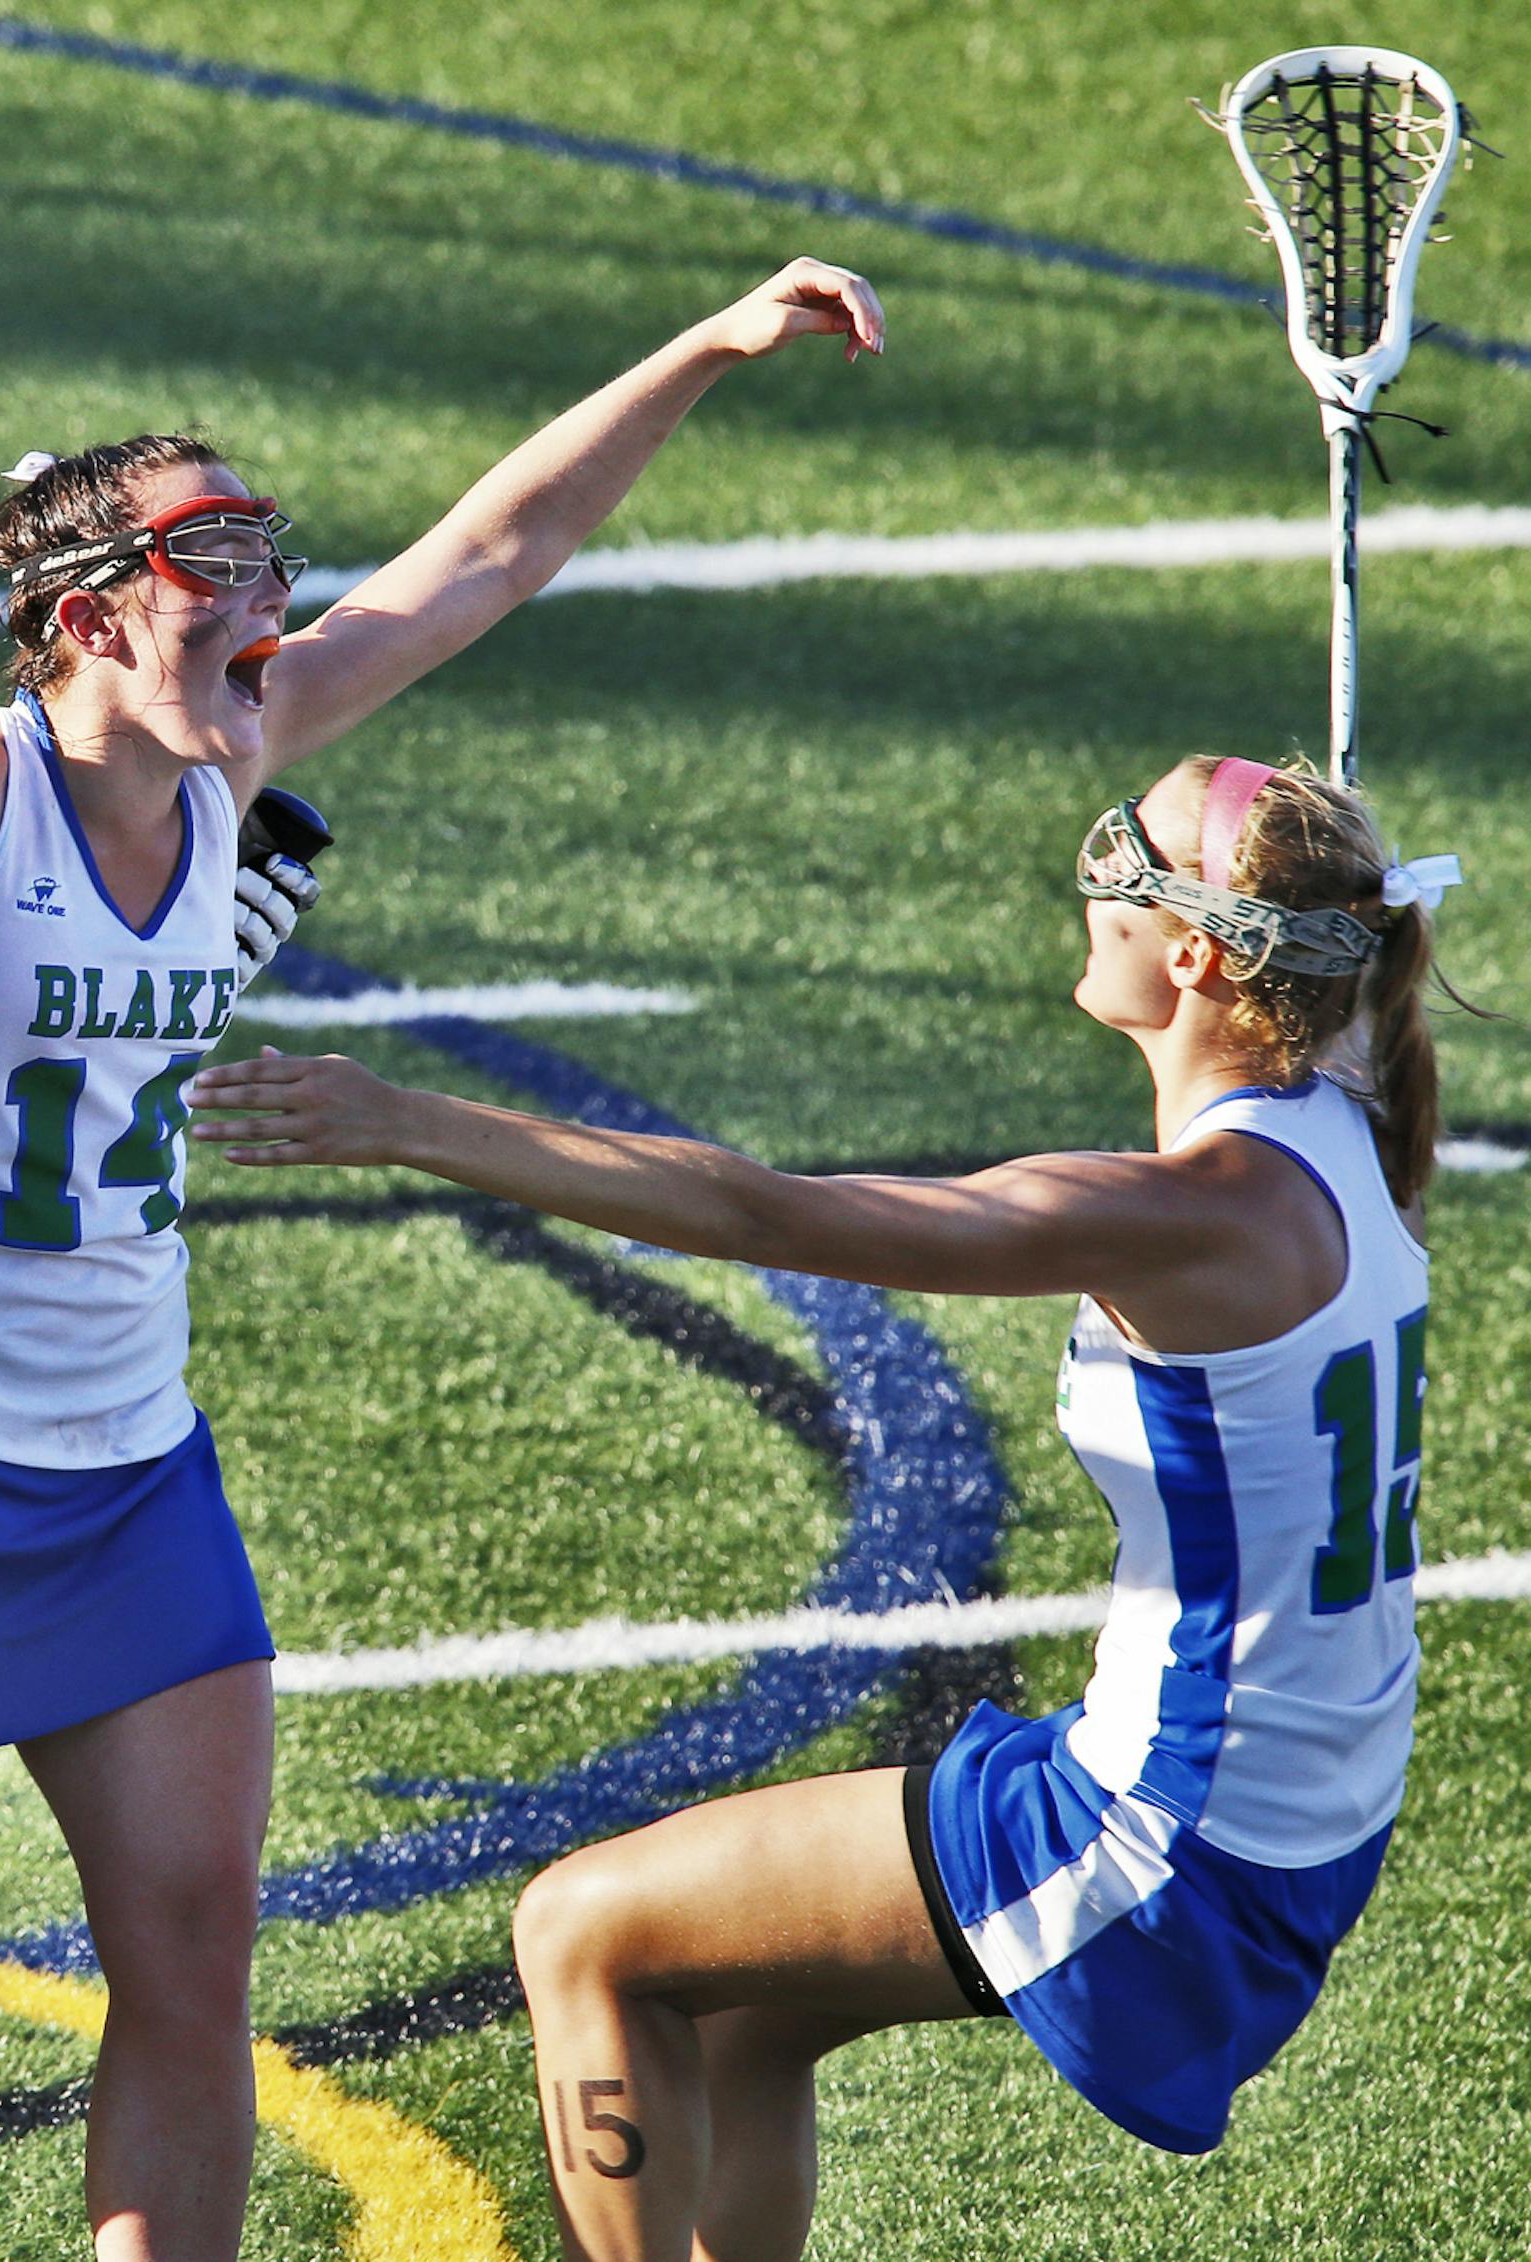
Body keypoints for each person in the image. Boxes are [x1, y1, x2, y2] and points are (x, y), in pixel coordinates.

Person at [0, 255, 885, 2259]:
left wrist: (701, 348)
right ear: (83, 616)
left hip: (139, 1465)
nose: (267, 605)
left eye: (269, 558)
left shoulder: (231, 756)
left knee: (194, 1980)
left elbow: (490, 559)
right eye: (212, 564)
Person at [186, 754, 1458, 2261]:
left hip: (1170, 1830)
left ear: (1193, 953)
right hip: (1292, 1813)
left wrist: (405, 1118)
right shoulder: (1351, 1111)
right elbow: (1334, 957)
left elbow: (759, 1212)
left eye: (1128, 841)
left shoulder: (1185, 1212)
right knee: (729, 2008)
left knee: (578, 1929)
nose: (1094, 858)